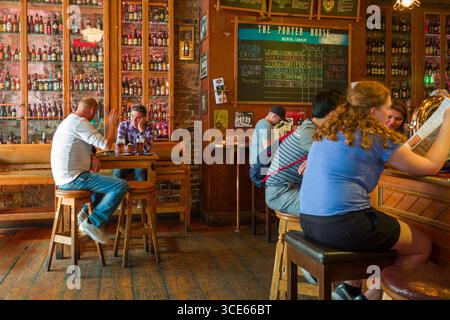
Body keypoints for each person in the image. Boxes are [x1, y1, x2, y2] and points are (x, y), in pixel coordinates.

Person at [299, 81, 450, 300]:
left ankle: (350, 289)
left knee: (383, 238)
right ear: (373, 111)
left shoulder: (331, 131)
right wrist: (446, 125)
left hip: (310, 221)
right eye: (387, 108)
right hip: (342, 224)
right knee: (421, 246)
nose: (389, 114)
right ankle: (371, 295)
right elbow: (431, 166)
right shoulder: (376, 137)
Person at [51, 97, 128, 244]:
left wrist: (92, 155)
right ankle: (92, 222)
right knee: (121, 185)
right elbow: (105, 145)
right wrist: (112, 126)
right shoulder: (81, 122)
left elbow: (83, 143)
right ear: (92, 111)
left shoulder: (70, 121)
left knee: (102, 186)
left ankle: (85, 214)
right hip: (73, 179)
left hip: (66, 178)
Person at [265, 91, 343, 215]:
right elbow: (331, 158)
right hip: (280, 192)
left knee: (338, 203)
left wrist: (313, 160)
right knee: (328, 209)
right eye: (344, 115)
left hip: (294, 188)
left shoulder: (314, 128)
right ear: (333, 115)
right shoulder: (308, 131)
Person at [113, 104, 153, 181]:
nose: (133, 120)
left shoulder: (149, 127)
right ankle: (120, 192)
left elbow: (147, 149)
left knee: (141, 175)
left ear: (144, 119)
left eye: (138, 118)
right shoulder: (123, 125)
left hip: (140, 160)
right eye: (132, 116)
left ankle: (140, 193)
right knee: (117, 174)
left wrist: (141, 131)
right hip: (125, 160)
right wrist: (125, 148)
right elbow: (118, 147)